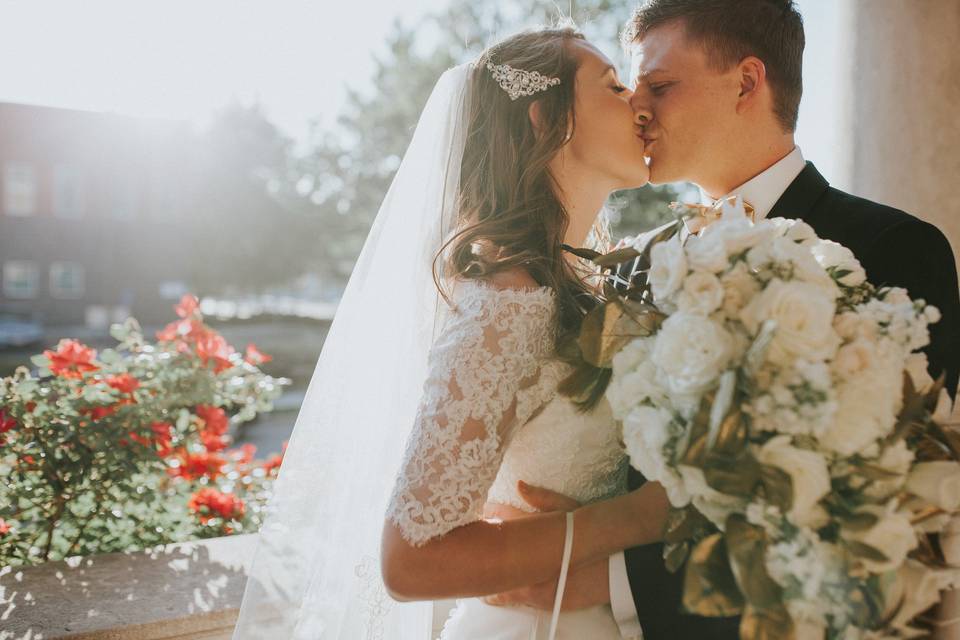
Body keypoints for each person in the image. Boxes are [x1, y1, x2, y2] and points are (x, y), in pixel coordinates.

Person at [485, 2, 960, 639]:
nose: (638, 108)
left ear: (745, 81)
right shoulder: (632, 265)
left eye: (659, 85)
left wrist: (614, 577)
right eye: (631, 88)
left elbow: (891, 503)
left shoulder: (894, 248)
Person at [231, 24, 672, 640]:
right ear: (548, 119)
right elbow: (411, 559)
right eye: (614, 85)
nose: (638, 104)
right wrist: (633, 520)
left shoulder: (581, 283)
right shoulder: (509, 300)